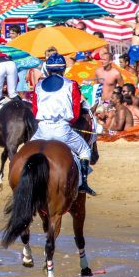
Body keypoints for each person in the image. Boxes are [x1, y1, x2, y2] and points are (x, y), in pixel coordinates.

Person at [31, 54, 96, 196]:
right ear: (63, 69)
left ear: (47, 69)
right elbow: (75, 112)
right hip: (63, 130)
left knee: (26, 152)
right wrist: (70, 122)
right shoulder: (71, 84)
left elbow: (35, 110)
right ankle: (83, 183)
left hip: (42, 130)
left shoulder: (38, 86)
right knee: (85, 151)